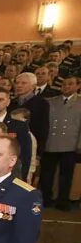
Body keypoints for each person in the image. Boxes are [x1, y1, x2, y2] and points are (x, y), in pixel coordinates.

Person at [39, 74, 81, 210]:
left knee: (66, 176)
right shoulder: (50, 101)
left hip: (70, 144)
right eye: (64, 84)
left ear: (77, 86)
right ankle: (45, 199)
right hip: (50, 143)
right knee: (46, 174)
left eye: (70, 84)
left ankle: (63, 201)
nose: (66, 86)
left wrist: (79, 145)